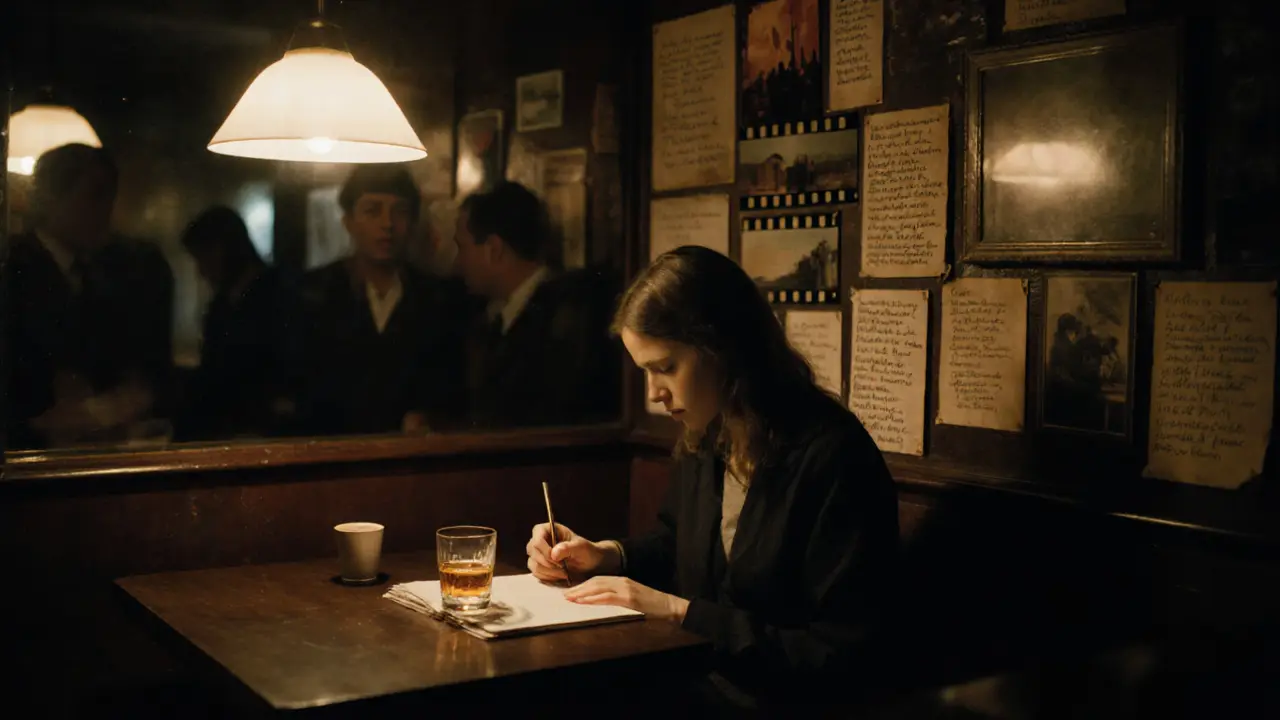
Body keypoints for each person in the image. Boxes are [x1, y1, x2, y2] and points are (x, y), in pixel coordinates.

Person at [524, 246, 899, 710]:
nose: (655, 393)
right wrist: (604, 556)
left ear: (723, 348)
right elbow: (677, 541)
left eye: (666, 368)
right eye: (645, 371)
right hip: (696, 686)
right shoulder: (712, 431)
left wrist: (680, 613)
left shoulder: (833, 457)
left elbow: (840, 654)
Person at [3, 143, 173, 448]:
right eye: (96, 195)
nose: (107, 210)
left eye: (110, 196)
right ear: (53, 197)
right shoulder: (13, 269)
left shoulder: (100, 274)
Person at [283, 164, 466, 436]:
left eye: (400, 212)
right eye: (372, 210)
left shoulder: (438, 298)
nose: (387, 224)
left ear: (413, 222)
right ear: (349, 222)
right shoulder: (312, 294)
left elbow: (453, 392)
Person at [452, 180, 618, 428]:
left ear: (493, 249)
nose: (458, 262)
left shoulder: (568, 320)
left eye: (462, 247)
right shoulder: (493, 319)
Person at [174, 206, 288, 441]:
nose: (201, 271)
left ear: (223, 249)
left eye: (203, 258)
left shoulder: (278, 299)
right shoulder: (221, 307)